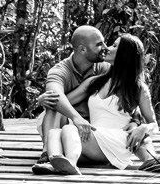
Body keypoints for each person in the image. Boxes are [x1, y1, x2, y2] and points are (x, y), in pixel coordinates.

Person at [46, 34, 160, 173]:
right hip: (94, 138)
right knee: (54, 132)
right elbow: (63, 101)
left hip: (118, 139)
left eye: (114, 46)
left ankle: (71, 164)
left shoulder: (138, 88)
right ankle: (53, 162)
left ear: (125, 54)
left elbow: (153, 123)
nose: (107, 48)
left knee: (69, 129)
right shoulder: (95, 82)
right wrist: (43, 99)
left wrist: (143, 128)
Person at [32, 25, 114, 175]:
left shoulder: (104, 68)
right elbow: (54, 95)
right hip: (61, 122)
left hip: (88, 126)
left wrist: (136, 121)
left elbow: (129, 88)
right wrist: (76, 118)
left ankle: (64, 156)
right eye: (98, 44)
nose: (105, 47)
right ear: (82, 49)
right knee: (53, 102)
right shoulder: (59, 71)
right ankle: (46, 153)